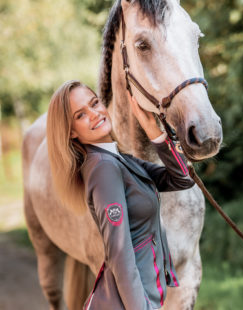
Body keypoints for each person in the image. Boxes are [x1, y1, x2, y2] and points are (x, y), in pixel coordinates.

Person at [46, 80, 195, 310]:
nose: (94, 114)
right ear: (72, 132)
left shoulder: (118, 159)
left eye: (94, 103)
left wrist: (153, 131)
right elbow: (119, 253)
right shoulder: (103, 169)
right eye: (81, 115)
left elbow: (181, 178)